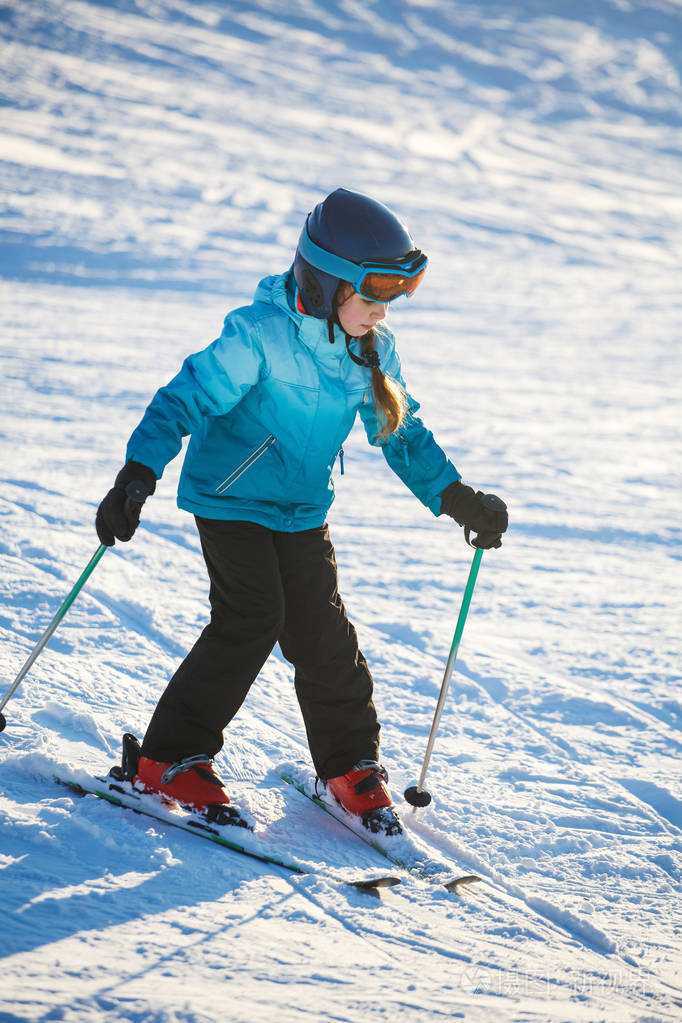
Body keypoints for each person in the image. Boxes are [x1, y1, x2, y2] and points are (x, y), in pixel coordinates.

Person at [96, 187, 508, 833]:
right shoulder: (259, 335)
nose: (382, 312)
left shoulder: (371, 349)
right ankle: (166, 759)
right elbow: (184, 397)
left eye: (394, 297)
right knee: (252, 616)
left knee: (322, 632)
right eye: (372, 296)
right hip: (231, 498)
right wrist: (138, 470)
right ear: (324, 285)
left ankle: (348, 766)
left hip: (301, 508)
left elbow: (401, 434)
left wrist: (457, 498)